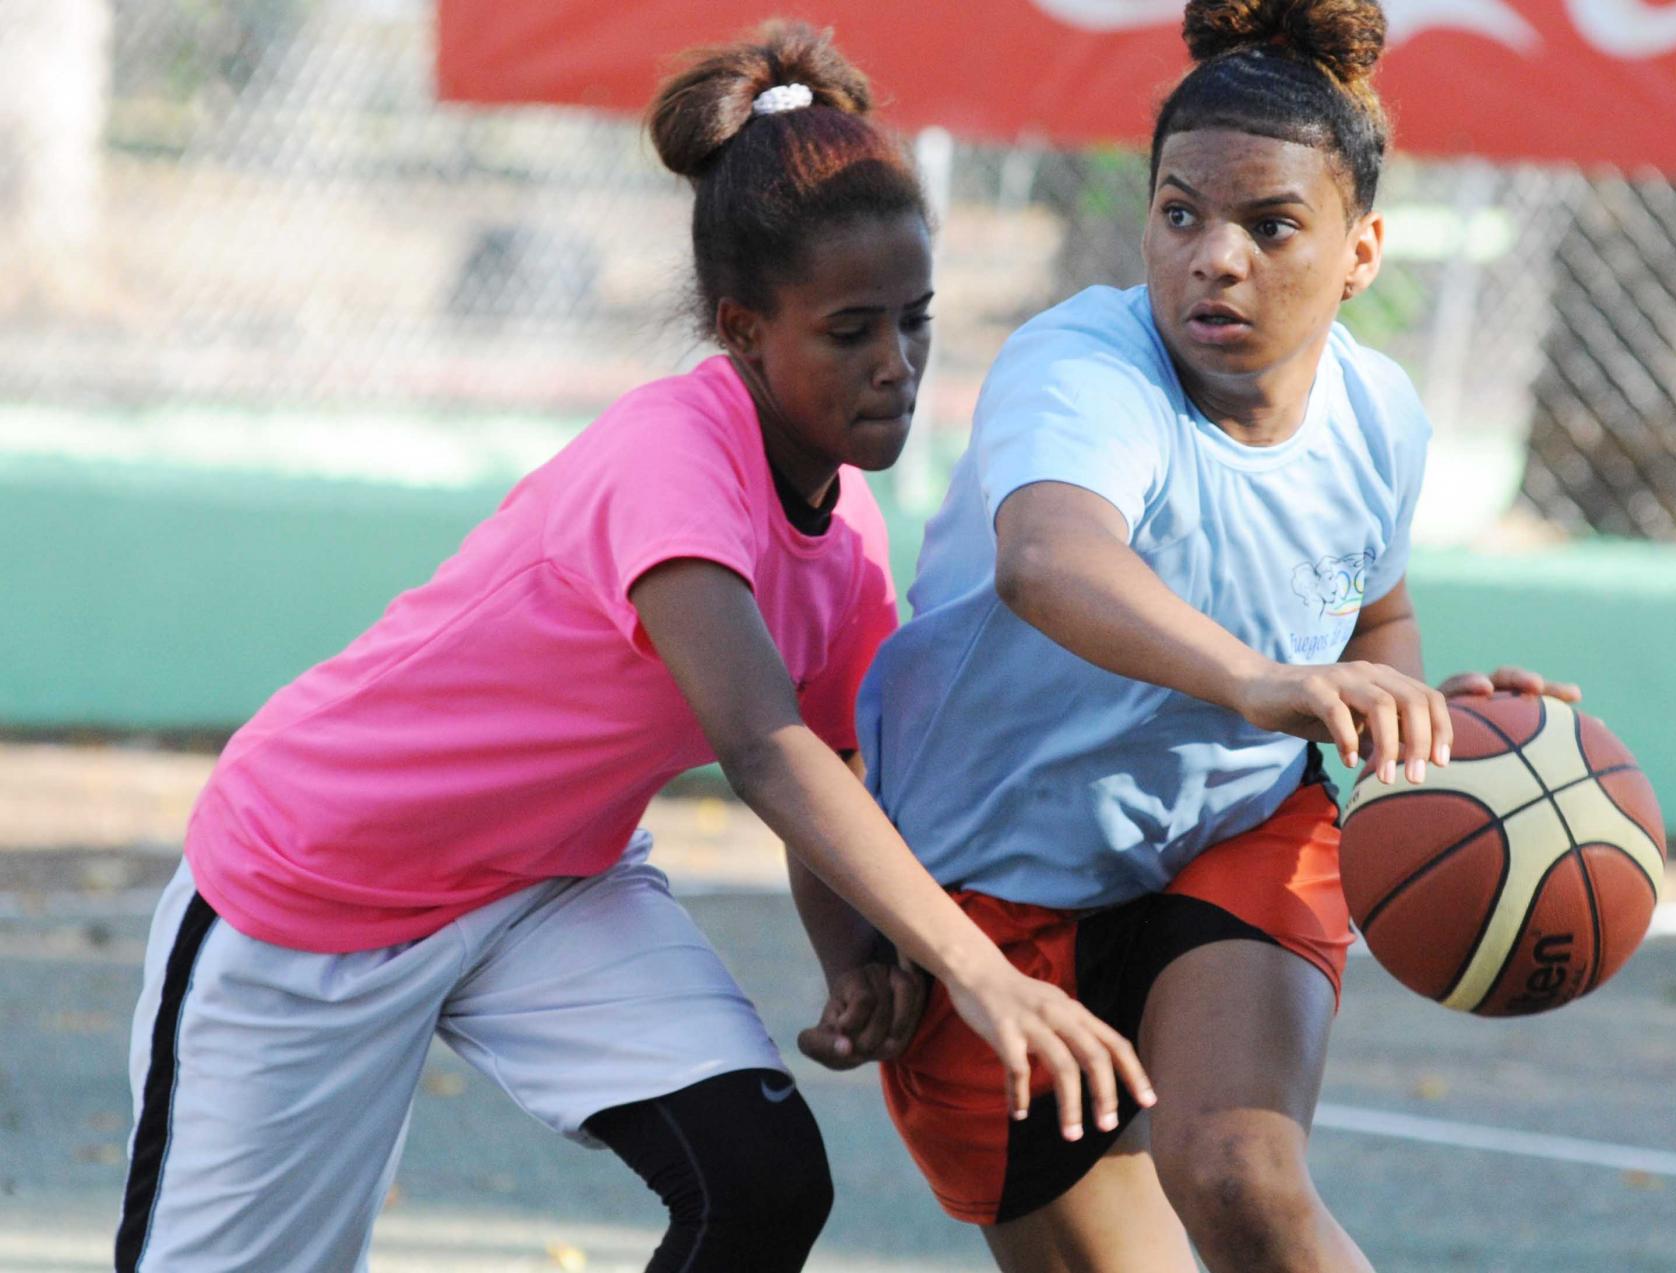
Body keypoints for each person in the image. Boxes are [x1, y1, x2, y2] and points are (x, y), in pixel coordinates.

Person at [114, 22, 1149, 1273]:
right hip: (318, 887)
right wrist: (978, 973)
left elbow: (834, 765)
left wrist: (855, 963)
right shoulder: (672, 461)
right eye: (849, 332)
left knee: (759, 1186)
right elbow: (765, 752)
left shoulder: (846, 539)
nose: (897, 367)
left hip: (544, 884)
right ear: (743, 329)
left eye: (915, 322)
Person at [833, 2, 1582, 1269]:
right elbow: (1047, 560)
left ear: (1359, 252)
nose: (1212, 257)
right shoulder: (1081, 366)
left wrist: (1414, 725)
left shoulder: (1377, 415)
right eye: (1179, 214)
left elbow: (1372, 613)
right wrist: (1257, 679)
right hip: (990, 879)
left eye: (1269, 224)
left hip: (1236, 823)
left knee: (1236, 1172)